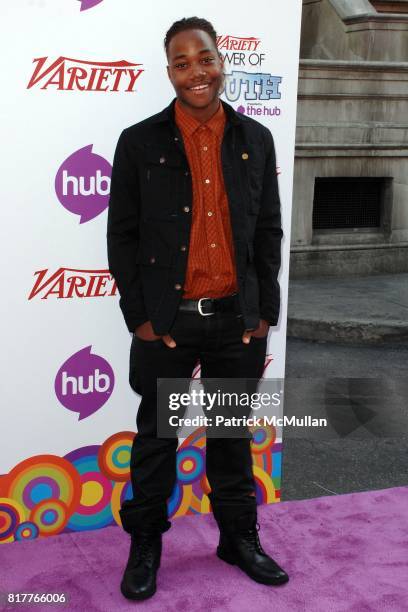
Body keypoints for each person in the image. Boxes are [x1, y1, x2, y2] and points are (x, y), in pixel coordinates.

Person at [107, 16, 289, 601]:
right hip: (168, 323)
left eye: (204, 58)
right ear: (169, 72)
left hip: (238, 321)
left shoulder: (254, 140)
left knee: (231, 437)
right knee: (157, 439)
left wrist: (264, 311)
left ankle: (239, 538)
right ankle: (146, 545)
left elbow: (268, 230)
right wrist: (141, 317)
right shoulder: (140, 142)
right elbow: (124, 237)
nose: (196, 73)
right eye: (182, 63)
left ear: (221, 60)